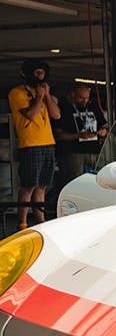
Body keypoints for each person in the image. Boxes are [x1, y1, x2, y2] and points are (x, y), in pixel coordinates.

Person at [8, 60, 60, 229]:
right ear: (29, 74)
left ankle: (40, 221)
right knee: (29, 185)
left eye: (42, 73)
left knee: (42, 186)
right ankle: (22, 223)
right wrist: (38, 97)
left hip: (48, 143)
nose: (40, 77)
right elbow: (31, 114)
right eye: (37, 73)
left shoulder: (44, 94)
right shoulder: (16, 93)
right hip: (30, 144)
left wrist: (47, 96)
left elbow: (56, 115)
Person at [54, 82, 108, 183]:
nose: (85, 101)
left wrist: (103, 132)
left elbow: (104, 126)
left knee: (101, 178)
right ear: (72, 95)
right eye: (81, 98)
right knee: (75, 181)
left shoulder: (93, 106)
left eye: (87, 98)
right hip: (73, 151)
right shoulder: (64, 108)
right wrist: (79, 135)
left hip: (95, 150)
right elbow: (58, 135)